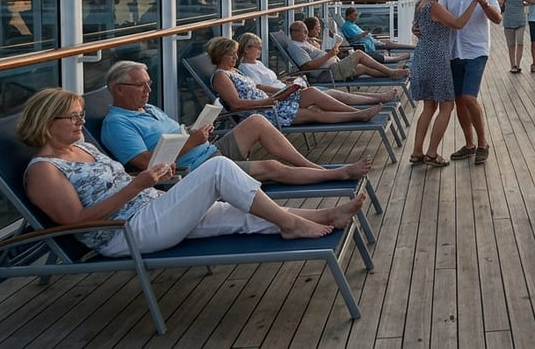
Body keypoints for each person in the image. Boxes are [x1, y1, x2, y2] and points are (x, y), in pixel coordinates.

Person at [19, 88, 365, 257]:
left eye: (81, 115)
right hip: (124, 233)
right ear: (46, 124)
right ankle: (292, 224)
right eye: (74, 118)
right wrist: (138, 183)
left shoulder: (82, 148)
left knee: (237, 213)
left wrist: (151, 180)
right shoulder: (44, 171)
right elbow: (77, 221)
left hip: (151, 207)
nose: (81, 122)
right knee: (217, 170)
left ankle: (325, 214)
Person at [100, 61, 373, 186]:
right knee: (270, 167)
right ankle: (332, 174)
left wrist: (197, 132)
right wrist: (192, 142)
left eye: (149, 84)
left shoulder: (149, 108)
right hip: (192, 170)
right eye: (140, 85)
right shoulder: (118, 124)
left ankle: (312, 167)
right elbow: (147, 164)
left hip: (206, 150)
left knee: (256, 122)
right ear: (118, 89)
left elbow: (175, 136)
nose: (148, 90)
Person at [206, 37, 383, 126]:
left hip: (273, 101)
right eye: (231, 54)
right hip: (265, 112)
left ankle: (357, 112)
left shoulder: (233, 70)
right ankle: (358, 115)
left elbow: (257, 86)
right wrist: (268, 101)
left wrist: (282, 90)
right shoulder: (221, 76)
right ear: (220, 55)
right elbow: (236, 104)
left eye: (236, 53)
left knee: (312, 93)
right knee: (314, 113)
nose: (235, 57)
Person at [409, 0, 481, 166]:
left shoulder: (419, 4)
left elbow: (416, 27)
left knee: (428, 107)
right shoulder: (434, 6)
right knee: (447, 106)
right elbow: (458, 23)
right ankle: (432, 154)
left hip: (422, 57)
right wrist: (474, 2)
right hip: (436, 60)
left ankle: (417, 152)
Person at [440, 0, 501, 164]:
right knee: (459, 101)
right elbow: (440, 12)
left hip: (476, 51)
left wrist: (483, 4)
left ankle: (482, 143)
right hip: (454, 50)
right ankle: (469, 144)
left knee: (468, 97)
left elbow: (497, 19)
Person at [235, 32, 398, 107]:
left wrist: (286, 81)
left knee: (343, 89)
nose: (261, 51)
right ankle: (379, 95)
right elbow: (259, 87)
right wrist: (286, 88)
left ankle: (379, 95)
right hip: (299, 87)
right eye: (258, 48)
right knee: (339, 92)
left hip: (291, 88)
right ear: (247, 49)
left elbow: (270, 80)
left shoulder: (257, 63)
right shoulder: (245, 67)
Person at [286, 20, 408, 80]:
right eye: (304, 31)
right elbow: (307, 67)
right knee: (359, 54)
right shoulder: (296, 46)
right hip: (327, 73)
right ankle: (392, 72)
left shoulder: (303, 42)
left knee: (363, 68)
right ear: (294, 33)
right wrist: (330, 55)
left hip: (333, 68)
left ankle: (392, 73)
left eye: (307, 30)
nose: (307, 33)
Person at [339, 7, 413, 61]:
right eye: (355, 15)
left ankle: (411, 47)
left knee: (387, 42)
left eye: (357, 15)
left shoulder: (352, 25)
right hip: (363, 43)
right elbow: (352, 39)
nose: (357, 17)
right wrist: (364, 34)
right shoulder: (347, 27)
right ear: (348, 16)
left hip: (368, 39)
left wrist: (366, 33)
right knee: (388, 43)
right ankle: (411, 47)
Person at [498, 0, 527, 73]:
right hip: (519, 19)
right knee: (520, 43)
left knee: (511, 45)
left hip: (509, 20)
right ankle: (517, 64)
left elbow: (500, 2)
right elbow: (530, 1)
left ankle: (513, 65)